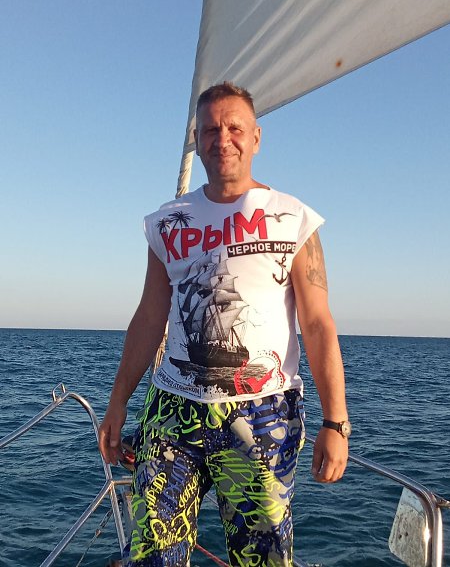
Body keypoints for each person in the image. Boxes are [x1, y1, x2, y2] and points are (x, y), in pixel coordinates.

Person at [99, 82, 350, 567]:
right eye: (211, 129)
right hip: (172, 411)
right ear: (197, 139)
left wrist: (335, 422)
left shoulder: (293, 218)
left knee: (263, 558)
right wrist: (118, 401)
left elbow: (318, 324)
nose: (223, 139)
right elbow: (149, 317)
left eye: (235, 127)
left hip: (263, 414)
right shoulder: (168, 222)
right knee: (153, 555)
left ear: (256, 137)